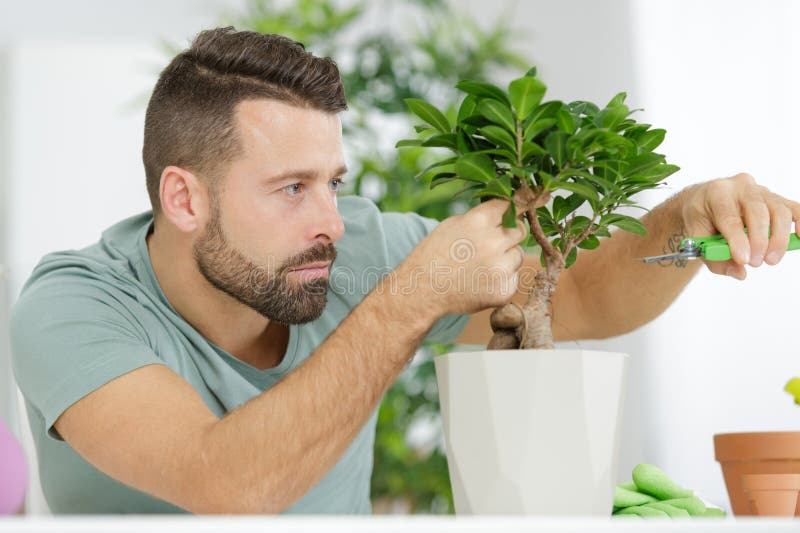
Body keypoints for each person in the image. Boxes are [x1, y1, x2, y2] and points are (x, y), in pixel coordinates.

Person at [9, 27, 800, 515]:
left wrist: (684, 217)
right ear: (183, 197)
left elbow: (584, 290)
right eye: (291, 188)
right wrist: (409, 297)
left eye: (333, 182)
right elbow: (227, 486)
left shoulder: (345, 248)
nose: (328, 219)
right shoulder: (73, 307)